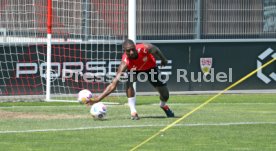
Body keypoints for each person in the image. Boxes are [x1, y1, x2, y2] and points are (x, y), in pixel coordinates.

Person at [86, 39, 174, 120]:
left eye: (133, 49)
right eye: (128, 51)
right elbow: (113, 84)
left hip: (151, 67)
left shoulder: (145, 48)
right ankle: (133, 112)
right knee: (129, 83)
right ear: (124, 51)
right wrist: (98, 98)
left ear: (135, 47)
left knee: (165, 95)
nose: (131, 52)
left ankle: (163, 105)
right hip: (134, 70)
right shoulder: (125, 62)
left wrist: (163, 59)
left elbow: (156, 49)